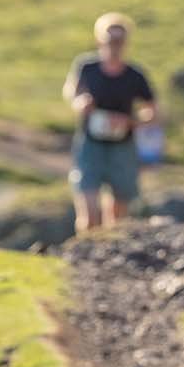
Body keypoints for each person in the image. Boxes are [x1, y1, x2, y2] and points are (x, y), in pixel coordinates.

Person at [62, 12, 158, 234]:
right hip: (91, 143)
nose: (114, 45)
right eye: (110, 40)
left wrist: (131, 122)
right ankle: (83, 258)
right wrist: (80, 103)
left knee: (117, 216)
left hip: (122, 147)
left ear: (126, 43)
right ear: (99, 40)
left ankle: (105, 261)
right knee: (89, 214)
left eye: (119, 41)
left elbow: (153, 112)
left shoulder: (135, 75)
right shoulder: (86, 67)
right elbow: (71, 91)